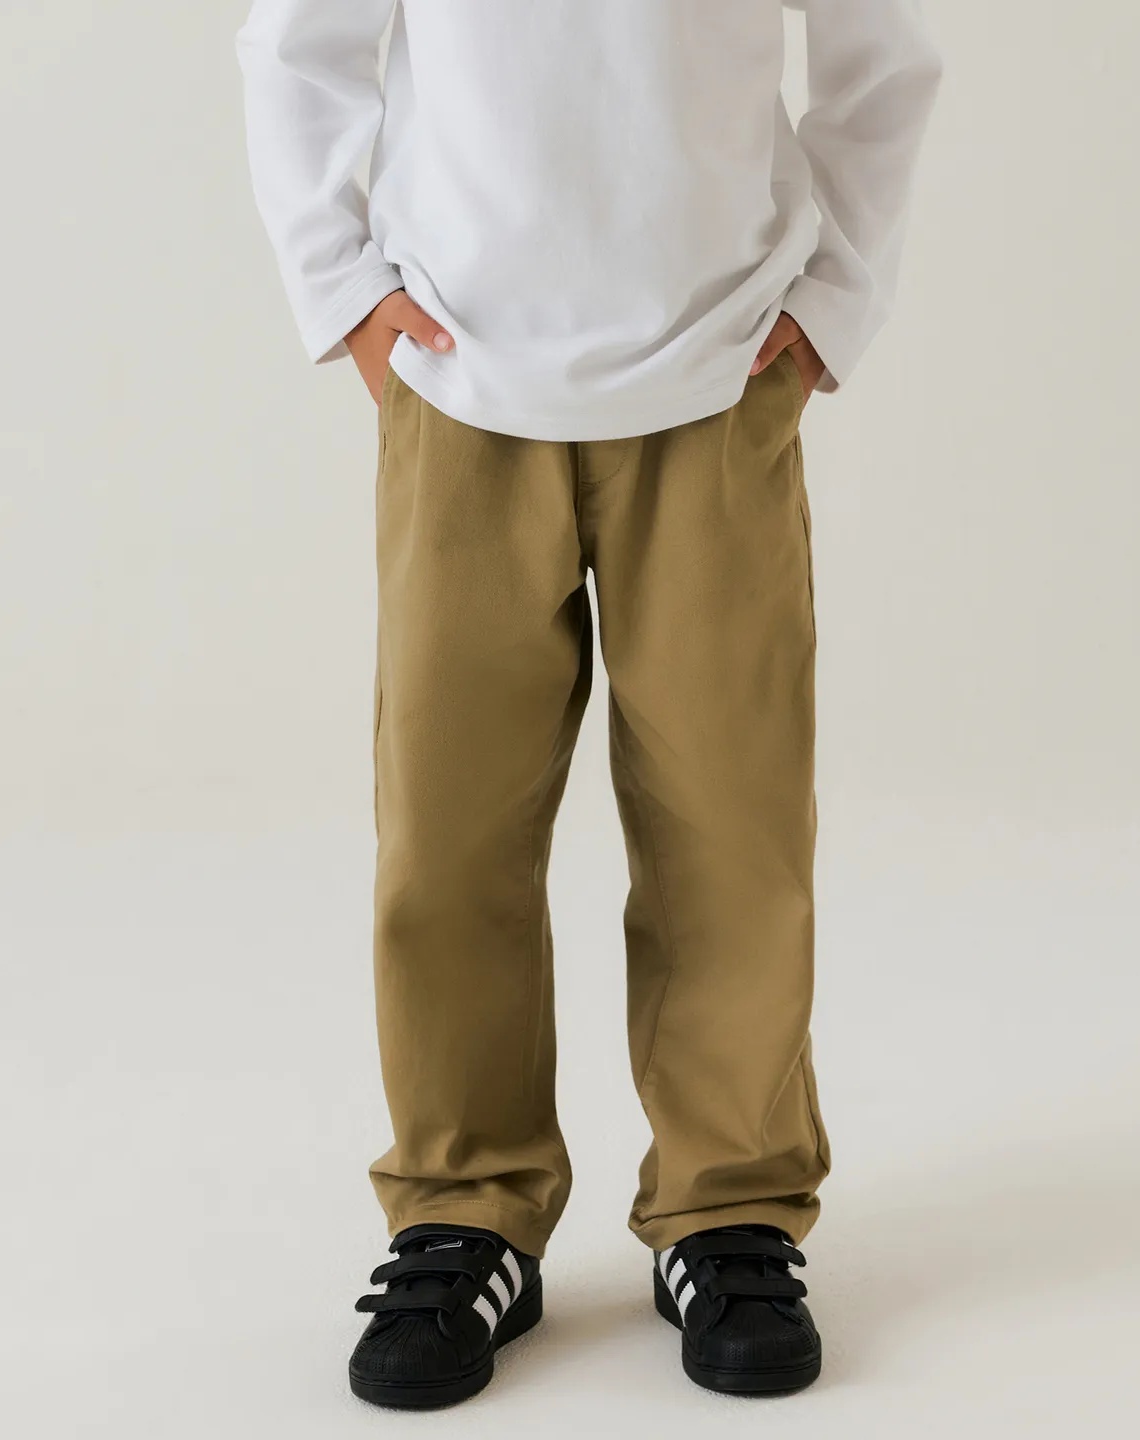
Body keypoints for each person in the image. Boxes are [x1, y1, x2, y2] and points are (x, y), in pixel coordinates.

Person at [236, 0, 941, 1407]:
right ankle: (465, 1207)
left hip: (717, 361)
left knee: (731, 825)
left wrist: (835, 296)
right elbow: (295, 40)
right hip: (462, 367)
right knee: (447, 831)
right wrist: (341, 286)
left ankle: (728, 1205)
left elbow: (886, 48)